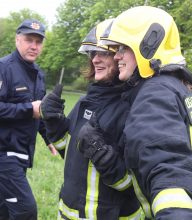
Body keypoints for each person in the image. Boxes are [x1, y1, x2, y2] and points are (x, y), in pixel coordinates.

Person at [84, 5, 192, 219]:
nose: (116, 56)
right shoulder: (178, 88)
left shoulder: (154, 94)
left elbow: (168, 168)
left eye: (122, 48)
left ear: (148, 45)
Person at [40, 19, 144, 219]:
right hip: (69, 212)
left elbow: (134, 185)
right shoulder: (85, 102)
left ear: (122, 55)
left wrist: (103, 155)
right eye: (92, 53)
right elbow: (68, 151)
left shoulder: (133, 108)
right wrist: (53, 122)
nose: (95, 59)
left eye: (104, 52)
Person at [0, 19, 56, 220]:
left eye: (38, 42)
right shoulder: (3, 68)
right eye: (29, 40)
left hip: (23, 154)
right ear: (17, 40)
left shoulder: (38, 74)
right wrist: (26, 109)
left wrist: (48, 138)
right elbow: (30, 109)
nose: (34, 46)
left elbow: (38, 111)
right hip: (4, 154)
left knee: (5, 209)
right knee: (26, 210)